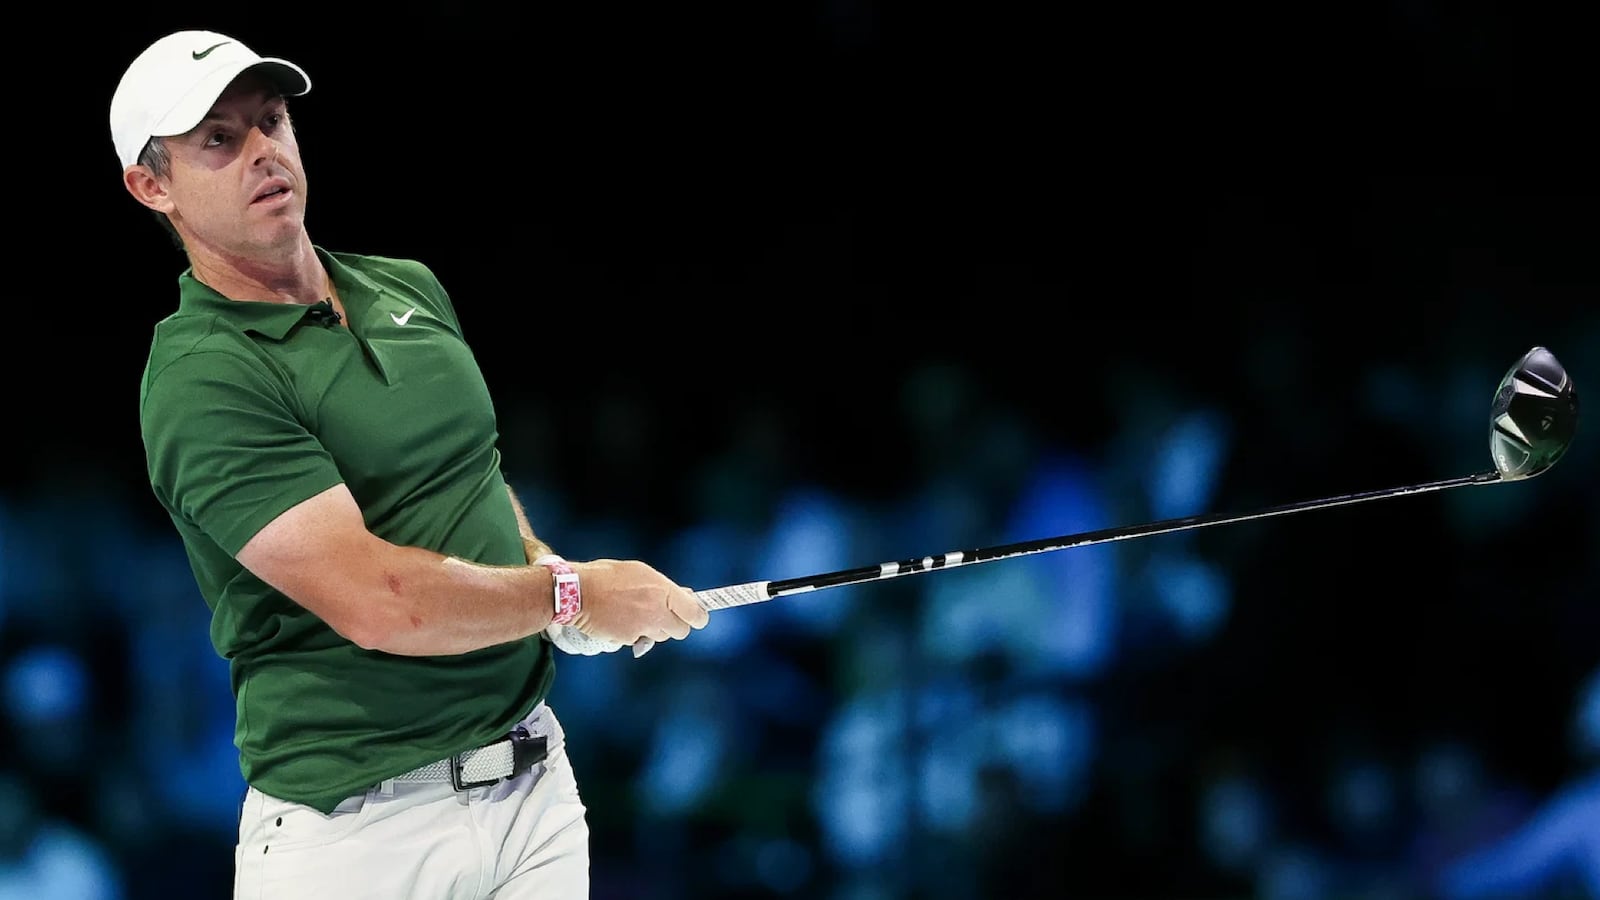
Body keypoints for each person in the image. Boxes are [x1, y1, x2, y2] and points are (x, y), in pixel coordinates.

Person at [109, 29, 710, 899]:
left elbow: (470, 477)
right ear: (151, 184)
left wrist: (545, 570)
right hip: (358, 837)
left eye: (272, 120)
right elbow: (376, 604)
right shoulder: (203, 376)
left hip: (534, 789)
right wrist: (570, 596)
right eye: (218, 140)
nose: (263, 153)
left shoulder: (406, 287)